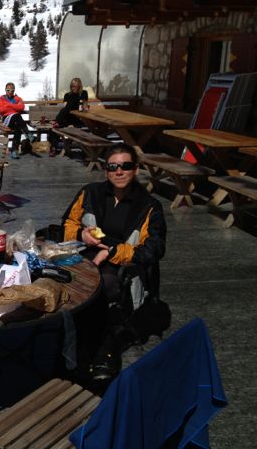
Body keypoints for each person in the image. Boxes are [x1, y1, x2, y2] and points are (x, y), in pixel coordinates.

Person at [61, 143, 167, 382]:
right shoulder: (91, 192)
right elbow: (67, 225)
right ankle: (75, 339)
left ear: (136, 169)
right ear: (106, 170)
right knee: (62, 279)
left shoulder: (149, 206)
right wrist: (81, 236)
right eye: (113, 167)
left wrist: (112, 251)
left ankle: (100, 348)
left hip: (123, 263)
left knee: (104, 285)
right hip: (85, 254)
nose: (119, 172)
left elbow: (154, 249)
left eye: (125, 166)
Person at [50, 78, 89, 156]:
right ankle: (53, 147)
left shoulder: (83, 93)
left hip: (77, 118)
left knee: (71, 104)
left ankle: (57, 121)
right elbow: (65, 108)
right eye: (72, 86)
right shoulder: (67, 95)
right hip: (67, 118)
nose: (73, 88)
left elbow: (85, 106)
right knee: (52, 130)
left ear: (79, 86)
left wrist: (85, 108)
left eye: (75, 86)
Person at [0, 82, 35, 159]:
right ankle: (28, 134)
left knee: (18, 128)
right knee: (17, 115)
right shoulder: (0, 99)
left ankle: (14, 151)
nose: (10, 92)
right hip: (7, 120)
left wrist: (8, 105)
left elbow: (21, 107)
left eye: (12, 91)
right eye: (8, 90)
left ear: (14, 91)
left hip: (16, 121)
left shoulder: (18, 98)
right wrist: (15, 106)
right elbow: (2, 109)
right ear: (5, 90)